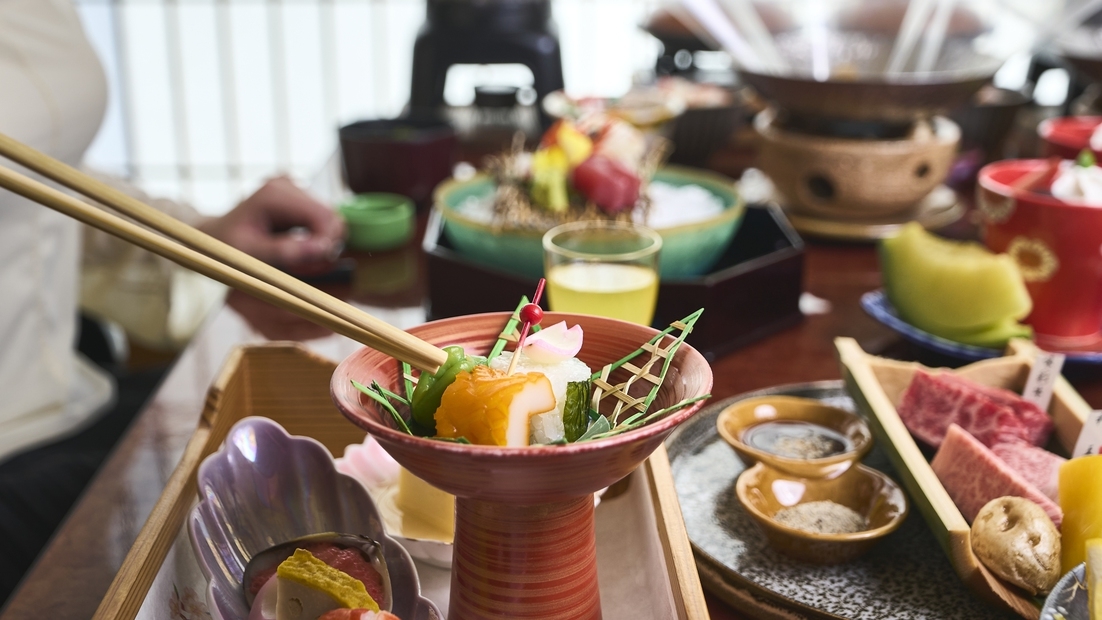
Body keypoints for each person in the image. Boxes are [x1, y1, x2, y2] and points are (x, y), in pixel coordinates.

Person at [0, 0, 346, 605]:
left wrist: (204, 240)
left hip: (81, 396)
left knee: (276, 446)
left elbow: (44, 177)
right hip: (13, 449)